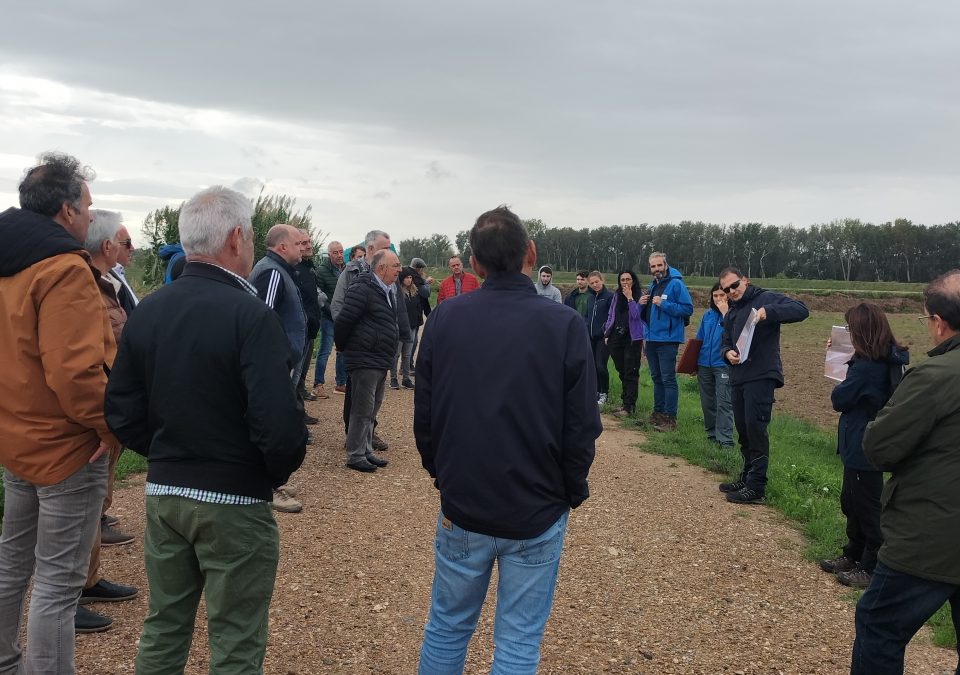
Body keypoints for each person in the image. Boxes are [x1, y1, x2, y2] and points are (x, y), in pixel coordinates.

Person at [104, 185, 306, 674]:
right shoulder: (251, 315)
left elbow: (121, 406)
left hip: (166, 490)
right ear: (236, 238)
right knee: (235, 634)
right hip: (234, 497)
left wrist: (166, 452)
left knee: (165, 623)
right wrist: (266, 472)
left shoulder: (150, 308)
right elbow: (278, 423)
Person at [415, 206, 600, 674]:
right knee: (518, 640)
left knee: (447, 627)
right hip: (536, 507)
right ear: (530, 253)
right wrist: (569, 489)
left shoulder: (445, 319)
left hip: (465, 503)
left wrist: (442, 473)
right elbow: (581, 423)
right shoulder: (563, 324)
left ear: (474, 263)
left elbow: (426, 414)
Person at [0, 152, 115, 666]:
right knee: (57, 584)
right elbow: (75, 374)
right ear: (66, 211)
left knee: (11, 563)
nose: (91, 216)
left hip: (13, 437)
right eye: (87, 206)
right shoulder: (65, 270)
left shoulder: (7, 263)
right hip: (68, 448)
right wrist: (112, 428)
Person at [849, 271, 960, 675]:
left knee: (879, 625)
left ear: (938, 322)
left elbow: (879, 446)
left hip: (933, 533)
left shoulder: (936, 375)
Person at [75, 209, 139, 631]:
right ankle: (73, 593)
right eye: (126, 242)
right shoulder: (84, 287)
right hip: (95, 413)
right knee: (83, 505)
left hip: (111, 408)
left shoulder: (107, 285)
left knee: (99, 495)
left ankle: (89, 579)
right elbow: (87, 359)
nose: (129, 249)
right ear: (106, 246)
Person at [818, 303, 908, 590]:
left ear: (861, 332)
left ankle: (871, 566)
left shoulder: (868, 368)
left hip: (863, 444)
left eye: (851, 330)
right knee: (851, 501)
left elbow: (839, 399)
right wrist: (840, 353)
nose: (849, 334)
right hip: (864, 441)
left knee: (867, 507)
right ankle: (852, 554)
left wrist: (842, 362)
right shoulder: (883, 359)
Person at [718, 267, 809, 505]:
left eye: (734, 285)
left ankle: (756, 486)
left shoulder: (765, 298)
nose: (732, 291)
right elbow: (725, 341)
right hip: (738, 376)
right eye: (726, 289)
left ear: (745, 280)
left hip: (761, 375)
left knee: (755, 428)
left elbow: (801, 310)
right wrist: (727, 353)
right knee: (743, 428)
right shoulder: (732, 311)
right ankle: (747, 476)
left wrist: (767, 313)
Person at [249, 224, 309, 513]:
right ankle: (265, 487)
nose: (303, 248)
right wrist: (277, 359)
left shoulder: (281, 270)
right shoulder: (272, 272)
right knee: (270, 424)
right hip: (275, 364)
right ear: (282, 246)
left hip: (282, 360)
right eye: (298, 243)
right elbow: (263, 316)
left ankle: (270, 481)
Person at [334, 249, 400, 472]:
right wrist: (345, 349)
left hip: (380, 358)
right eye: (396, 265)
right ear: (381, 268)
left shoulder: (388, 289)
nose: (399, 270)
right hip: (365, 358)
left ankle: (367, 450)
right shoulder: (363, 287)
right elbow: (344, 320)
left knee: (372, 409)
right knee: (361, 409)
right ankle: (355, 455)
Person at [638, 252, 693, 431]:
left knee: (668, 378)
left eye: (659, 266)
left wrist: (664, 304)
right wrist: (641, 303)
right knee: (656, 378)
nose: (656, 269)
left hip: (668, 339)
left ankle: (670, 419)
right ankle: (658, 413)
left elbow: (687, 309)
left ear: (666, 265)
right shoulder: (652, 285)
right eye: (653, 267)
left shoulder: (676, 284)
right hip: (652, 338)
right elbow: (645, 313)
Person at [695, 283, 734, 448]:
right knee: (707, 403)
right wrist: (692, 362)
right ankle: (711, 436)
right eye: (715, 295)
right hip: (704, 364)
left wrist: (726, 314)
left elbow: (736, 335)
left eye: (722, 295)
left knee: (724, 403)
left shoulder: (734, 315)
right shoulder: (707, 315)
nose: (718, 299)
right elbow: (698, 339)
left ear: (728, 296)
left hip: (723, 365)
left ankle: (725, 441)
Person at [603, 270, 645, 417]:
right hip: (616, 337)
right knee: (622, 371)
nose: (625, 282)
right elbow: (611, 314)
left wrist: (630, 298)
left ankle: (629, 407)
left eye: (628, 279)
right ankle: (624, 402)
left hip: (632, 338)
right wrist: (607, 333)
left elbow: (636, 316)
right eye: (622, 280)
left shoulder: (640, 295)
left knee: (631, 372)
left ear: (633, 281)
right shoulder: (616, 295)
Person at [314, 240, 347, 397]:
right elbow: (320, 297)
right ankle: (318, 384)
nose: (339, 255)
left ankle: (340, 383)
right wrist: (333, 313)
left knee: (342, 351)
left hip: (344, 317)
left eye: (341, 252)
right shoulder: (321, 271)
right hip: (328, 318)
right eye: (336, 252)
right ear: (329, 254)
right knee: (325, 351)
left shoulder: (346, 269)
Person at [293, 228, 323, 401]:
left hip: (311, 324)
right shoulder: (293, 268)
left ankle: (301, 390)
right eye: (303, 243)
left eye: (309, 242)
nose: (309, 246)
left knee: (304, 365)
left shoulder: (309, 267)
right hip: (299, 326)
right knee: (295, 369)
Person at [585, 271, 613, 405]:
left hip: (603, 338)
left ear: (602, 280)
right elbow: (587, 316)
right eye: (592, 283)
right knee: (592, 366)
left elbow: (611, 318)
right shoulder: (590, 298)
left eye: (597, 282)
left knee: (601, 366)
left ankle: (604, 394)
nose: (595, 285)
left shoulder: (609, 297)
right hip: (590, 337)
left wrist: (606, 333)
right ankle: (595, 391)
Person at [389, 269, 417, 390]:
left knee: (407, 354)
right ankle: (393, 378)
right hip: (399, 327)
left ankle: (406, 378)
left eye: (410, 277)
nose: (409, 280)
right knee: (396, 354)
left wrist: (418, 321)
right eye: (406, 277)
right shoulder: (397, 292)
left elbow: (417, 308)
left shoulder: (414, 292)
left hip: (411, 327)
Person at [408, 257, 433, 371]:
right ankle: (407, 365)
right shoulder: (416, 278)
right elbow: (425, 293)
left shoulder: (412, 276)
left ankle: (408, 364)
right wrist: (426, 283)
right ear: (419, 268)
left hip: (415, 311)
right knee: (412, 341)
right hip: (413, 312)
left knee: (413, 340)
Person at [110, 222, 138, 315]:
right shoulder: (106, 279)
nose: (132, 248)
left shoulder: (118, 272)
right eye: (128, 243)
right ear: (108, 245)